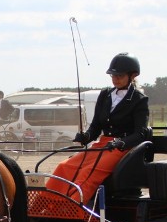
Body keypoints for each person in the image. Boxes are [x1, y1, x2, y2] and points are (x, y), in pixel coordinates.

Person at [46, 52, 149, 202]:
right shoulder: (105, 94)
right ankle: (46, 204)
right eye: (113, 76)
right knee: (65, 166)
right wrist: (87, 136)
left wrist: (121, 143)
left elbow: (141, 133)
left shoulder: (139, 100)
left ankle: (73, 208)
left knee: (88, 172)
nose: (115, 80)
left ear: (132, 76)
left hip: (122, 149)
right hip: (103, 144)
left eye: (119, 76)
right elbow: (96, 126)